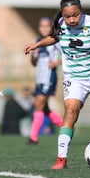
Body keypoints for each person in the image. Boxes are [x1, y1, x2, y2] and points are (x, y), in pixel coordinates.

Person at [24, 0, 90, 170]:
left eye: (75, 15)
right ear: (62, 15)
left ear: (81, 11)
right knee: (70, 112)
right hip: (74, 78)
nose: (72, 19)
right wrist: (37, 45)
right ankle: (61, 159)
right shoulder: (60, 25)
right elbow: (54, 37)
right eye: (67, 16)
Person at [27, 17, 63, 145]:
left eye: (47, 26)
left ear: (51, 27)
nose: (44, 28)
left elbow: (68, 55)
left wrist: (57, 62)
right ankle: (66, 126)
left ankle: (33, 137)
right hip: (40, 79)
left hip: (49, 78)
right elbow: (34, 63)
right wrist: (33, 54)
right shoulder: (38, 42)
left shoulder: (56, 41)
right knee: (44, 109)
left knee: (38, 105)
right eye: (42, 26)